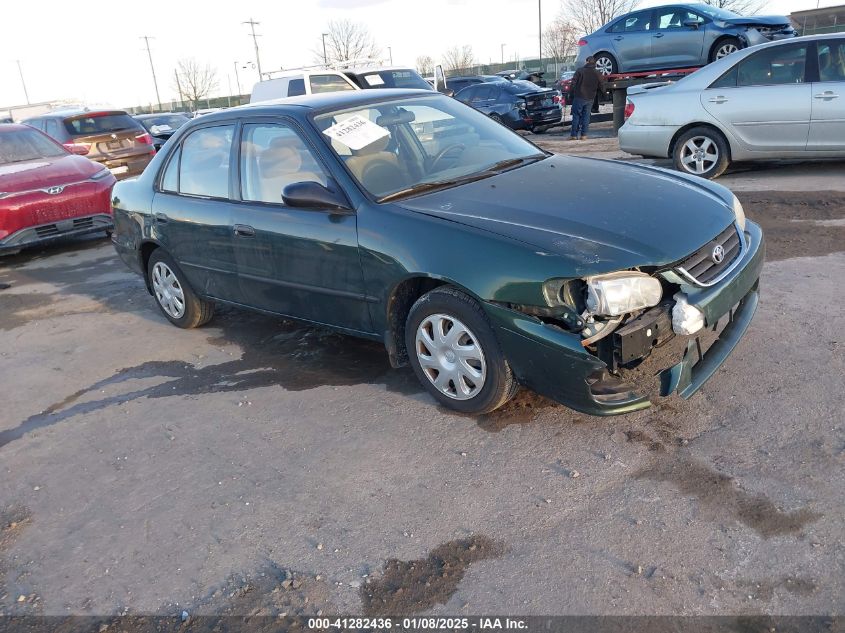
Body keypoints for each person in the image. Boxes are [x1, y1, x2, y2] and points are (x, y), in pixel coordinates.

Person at [569, 56, 605, 140]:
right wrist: (604, 94)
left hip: (579, 96)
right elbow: (602, 85)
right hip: (590, 98)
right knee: (586, 116)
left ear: (587, 61)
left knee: (576, 115)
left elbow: (573, 83)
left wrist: (571, 94)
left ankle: (574, 135)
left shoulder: (579, 71)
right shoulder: (597, 73)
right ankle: (584, 135)